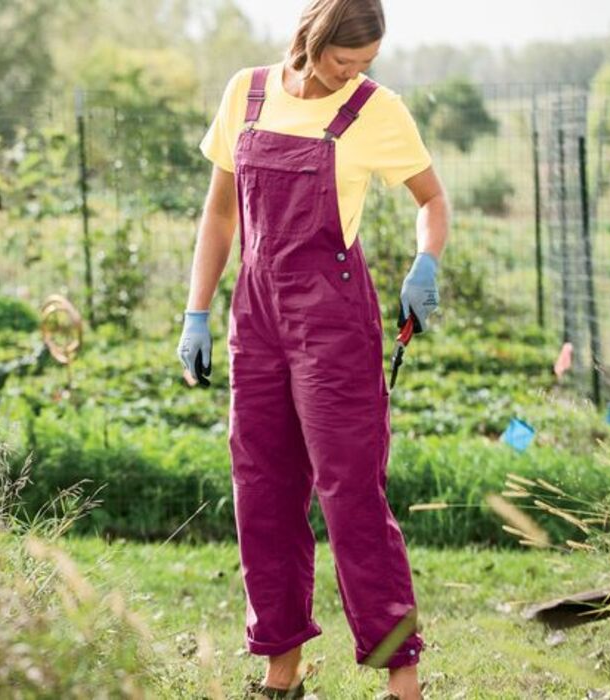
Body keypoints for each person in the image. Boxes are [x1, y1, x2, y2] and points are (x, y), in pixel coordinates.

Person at [177, 1, 450, 697]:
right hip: (258, 316)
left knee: (350, 492)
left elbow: (431, 199)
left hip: (333, 321)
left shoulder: (376, 109)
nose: (353, 74)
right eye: (343, 61)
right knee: (262, 491)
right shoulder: (249, 90)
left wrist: (427, 261)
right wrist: (196, 310)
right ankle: (281, 670)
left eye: (365, 64)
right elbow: (219, 210)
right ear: (313, 39)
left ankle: (403, 678)